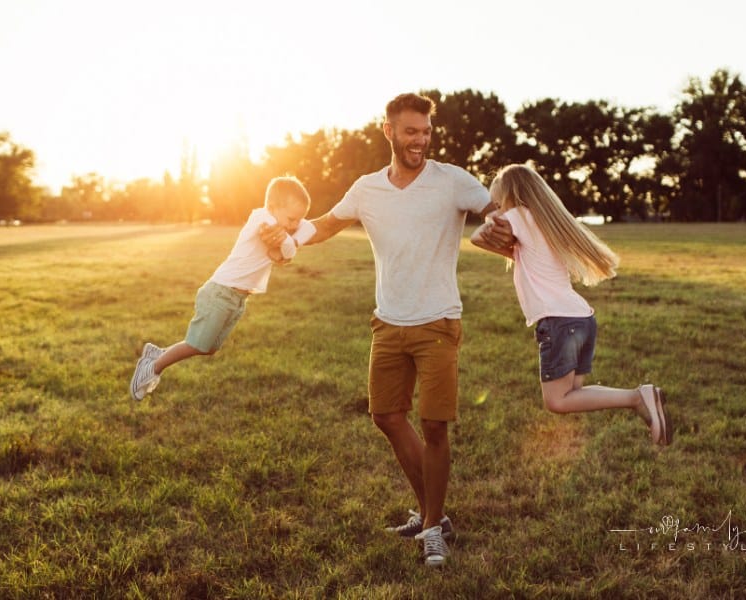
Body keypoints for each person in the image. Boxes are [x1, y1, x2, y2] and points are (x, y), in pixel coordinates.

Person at [261, 93, 496, 567]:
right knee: (386, 416)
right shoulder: (368, 189)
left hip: (437, 322)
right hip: (388, 322)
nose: (421, 140)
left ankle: (432, 527)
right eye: (411, 131)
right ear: (389, 131)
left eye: (426, 131)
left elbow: (496, 206)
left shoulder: (451, 181)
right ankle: (435, 514)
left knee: (433, 425)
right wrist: (285, 237)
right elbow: (325, 224)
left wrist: (510, 226)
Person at [470, 163, 672, 445]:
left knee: (558, 401)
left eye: (499, 202)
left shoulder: (519, 216)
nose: (498, 209)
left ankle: (637, 397)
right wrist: (511, 249)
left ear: (510, 197)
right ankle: (642, 400)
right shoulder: (546, 223)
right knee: (573, 394)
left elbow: (476, 236)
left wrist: (495, 217)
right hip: (581, 319)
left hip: (559, 322)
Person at [129, 176, 316, 401]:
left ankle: (156, 354)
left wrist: (292, 238)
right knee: (196, 343)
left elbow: (307, 230)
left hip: (237, 299)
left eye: (299, 220)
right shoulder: (261, 218)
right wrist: (291, 245)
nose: (295, 225)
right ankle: (152, 368)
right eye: (292, 218)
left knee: (209, 349)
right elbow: (287, 249)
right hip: (221, 293)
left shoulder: (281, 224)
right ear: (272, 207)